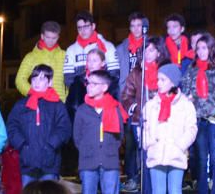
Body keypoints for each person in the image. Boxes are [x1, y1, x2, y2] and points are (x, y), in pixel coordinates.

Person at [179, 34, 215, 194]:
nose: (201, 51)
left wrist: (213, 108)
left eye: (205, 48)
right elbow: (187, 90)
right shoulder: (192, 69)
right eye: (199, 48)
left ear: (212, 48)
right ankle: (202, 190)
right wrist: (190, 98)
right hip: (198, 119)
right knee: (202, 159)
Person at [6, 64, 72, 186]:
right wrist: (22, 145)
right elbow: (12, 126)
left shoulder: (57, 105)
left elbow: (64, 128)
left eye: (42, 79)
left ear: (50, 82)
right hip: (27, 162)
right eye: (34, 78)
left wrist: (51, 145)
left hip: (49, 162)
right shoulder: (21, 105)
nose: (37, 82)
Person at [121, 36, 171, 194]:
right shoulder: (136, 72)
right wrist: (137, 109)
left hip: (163, 122)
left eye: (151, 50)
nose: (148, 54)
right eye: (145, 50)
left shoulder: (166, 71)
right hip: (141, 122)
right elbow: (126, 96)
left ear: (158, 52)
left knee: (161, 158)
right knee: (145, 158)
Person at [142, 64, 198, 194]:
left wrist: (180, 145)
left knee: (175, 190)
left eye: (163, 80)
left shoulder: (185, 104)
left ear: (173, 81)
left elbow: (191, 128)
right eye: (158, 79)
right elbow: (145, 127)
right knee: (158, 191)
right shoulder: (151, 105)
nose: (159, 83)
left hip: (176, 153)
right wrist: (149, 143)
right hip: (156, 152)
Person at [73, 68, 127, 194]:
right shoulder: (82, 110)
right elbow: (77, 136)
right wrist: (87, 149)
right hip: (88, 160)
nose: (89, 87)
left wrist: (109, 148)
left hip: (109, 159)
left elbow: (120, 135)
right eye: (88, 83)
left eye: (94, 84)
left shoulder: (114, 108)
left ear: (104, 87)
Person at [118, 12, 149, 193]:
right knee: (130, 142)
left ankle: (145, 176)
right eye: (133, 25)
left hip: (146, 98)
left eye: (139, 25)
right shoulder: (122, 47)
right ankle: (131, 177)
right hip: (128, 98)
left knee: (146, 141)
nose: (136, 29)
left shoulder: (150, 45)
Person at [65, 12, 120, 91]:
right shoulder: (71, 50)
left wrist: (100, 92)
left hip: (103, 95)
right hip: (80, 96)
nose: (82, 30)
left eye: (86, 26)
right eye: (79, 28)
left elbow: (114, 75)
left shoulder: (108, 47)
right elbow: (68, 79)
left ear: (93, 26)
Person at [17, 21, 67, 100]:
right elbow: (20, 80)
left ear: (58, 37)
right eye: (48, 37)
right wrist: (34, 93)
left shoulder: (64, 56)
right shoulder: (31, 57)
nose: (51, 41)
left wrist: (66, 100)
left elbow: (68, 81)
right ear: (42, 36)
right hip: (38, 103)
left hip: (60, 103)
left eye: (54, 38)